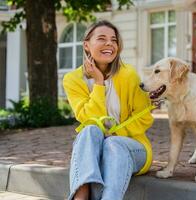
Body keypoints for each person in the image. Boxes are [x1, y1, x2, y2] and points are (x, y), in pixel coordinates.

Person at [63, 20, 154, 200]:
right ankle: (81, 196)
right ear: (87, 45)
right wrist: (99, 83)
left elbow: (144, 118)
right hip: (95, 149)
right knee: (89, 130)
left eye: (113, 40)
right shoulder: (72, 80)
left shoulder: (129, 75)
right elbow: (88, 118)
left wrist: (116, 133)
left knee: (113, 144)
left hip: (132, 147)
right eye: (102, 39)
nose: (109, 44)